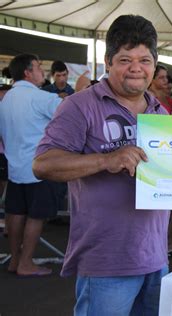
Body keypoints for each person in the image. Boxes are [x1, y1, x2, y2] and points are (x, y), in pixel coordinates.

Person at [32, 15, 172, 315]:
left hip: (155, 257)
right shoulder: (80, 105)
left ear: (154, 64)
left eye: (145, 60)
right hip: (106, 260)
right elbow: (42, 164)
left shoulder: (161, 112)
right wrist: (107, 160)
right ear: (108, 61)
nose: (136, 68)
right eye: (125, 59)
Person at [0, 54, 63, 276]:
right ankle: (26, 262)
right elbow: (70, 112)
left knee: (16, 212)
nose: (42, 72)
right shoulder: (40, 97)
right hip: (38, 166)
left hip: (15, 166)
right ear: (27, 72)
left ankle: (16, 260)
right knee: (35, 215)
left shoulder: (6, 99)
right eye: (38, 67)